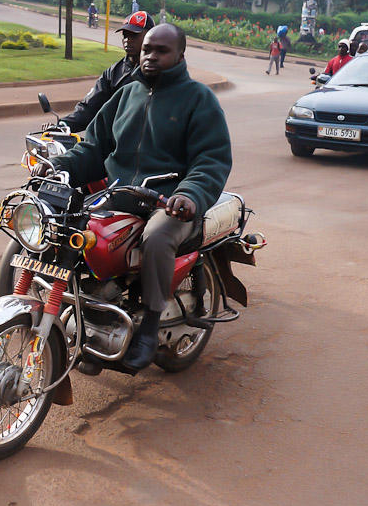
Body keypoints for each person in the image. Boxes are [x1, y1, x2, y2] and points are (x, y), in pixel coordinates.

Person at [47, 24, 231, 372]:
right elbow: (93, 148)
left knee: (157, 238)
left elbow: (212, 159)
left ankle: (149, 326)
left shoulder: (198, 99)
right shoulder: (127, 93)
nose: (150, 56)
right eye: (147, 49)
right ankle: (94, 320)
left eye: (161, 51)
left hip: (170, 204)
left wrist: (189, 194)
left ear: (180, 55)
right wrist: (59, 168)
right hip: (120, 194)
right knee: (80, 235)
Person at [61, 10, 156, 132]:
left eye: (134, 35)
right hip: (113, 141)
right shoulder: (113, 72)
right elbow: (89, 108)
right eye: (125, 35)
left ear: (150, 36)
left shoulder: (157, 71)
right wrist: (62, 125)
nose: (128, 40)